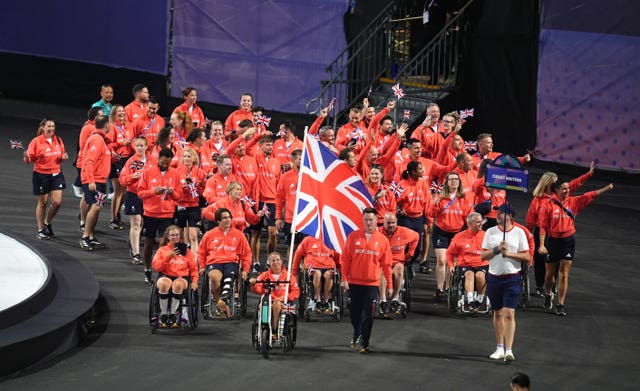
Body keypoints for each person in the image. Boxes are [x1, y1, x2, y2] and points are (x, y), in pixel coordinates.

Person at [538, 181, 614, 316]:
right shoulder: (547, 205)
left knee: (564, 273)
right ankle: (549, 293)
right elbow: (543, 227)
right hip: (553, 242)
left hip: (568, 241)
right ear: (556, 189)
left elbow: (590, 195)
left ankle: (560, 304)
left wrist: (606, 188)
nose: (567, 191)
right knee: (549, 274)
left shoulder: (574, 202)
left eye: (568, 188)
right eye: (564, 189)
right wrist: (542, 244)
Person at [525, 164, 594, 296]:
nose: (558, 183)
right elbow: (530, 219)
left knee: (555, 261)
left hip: (555, 233)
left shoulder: (561, 194)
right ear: (547, 183)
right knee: (540, 261)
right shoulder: (538, 200)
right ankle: (540, 286)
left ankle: (553, 285)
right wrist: (527, 235)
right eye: (555, 181)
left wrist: (589, 174)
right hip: (541, 231)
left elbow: (576, 183)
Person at [340, 208, 393, 353]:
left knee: (369, 315)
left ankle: (364, 342)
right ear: (362, 220)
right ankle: (357, 331)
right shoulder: (353, 237)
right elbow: (345, 259)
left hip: (371, 284)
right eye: (366, 219)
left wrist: (389, 284)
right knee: (354, 312)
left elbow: (387, 264)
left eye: (371, 219)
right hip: (354, 283)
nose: (369, 222)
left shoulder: (383, 241)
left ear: (377, 221)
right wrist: (344, 279)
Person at [481, 204, 530, 362]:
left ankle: (509, 350)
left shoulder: (519, 233)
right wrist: (496, 250)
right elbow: (483, 256)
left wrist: (508, 253)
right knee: (498, 313)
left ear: (510, 217)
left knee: (509, 313)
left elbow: (526, 257)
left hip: (512, 278)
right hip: (494, 277)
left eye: (501, 213)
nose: (498, 215)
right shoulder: (490, 232)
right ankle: (499, 348)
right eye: (498, 213)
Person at [137, 148, 183, 284]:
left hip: (167, 214)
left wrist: (171, 192)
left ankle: (166, 270)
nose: (164, 165)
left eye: (167, 163)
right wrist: (153, 191)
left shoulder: (175, 174)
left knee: (166, 245)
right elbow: (140, 193)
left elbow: (179, 196)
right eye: (163, 162)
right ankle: (147, 269)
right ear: (159, 159)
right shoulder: (147, 172)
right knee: (148, 243)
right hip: (150, 213)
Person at [198, 208, 252, 317]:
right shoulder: (209, 234)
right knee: (214, 277)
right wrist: (202, 266)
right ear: (218, 221)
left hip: (231, 262)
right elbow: (201, 252)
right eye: (224, 218)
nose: (227, 220)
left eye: (229, 217)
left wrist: (246, 270)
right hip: (214, 262)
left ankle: (225, 295)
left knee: (229, 275)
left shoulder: (239, 235)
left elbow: (246, 254)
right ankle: (221, 303)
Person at [428, 171, 472, 300]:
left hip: (457, 233)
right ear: (446, 182)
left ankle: (448, 288)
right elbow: (431, 214)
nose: (454, 181)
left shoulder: (464, 197)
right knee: (441, 260)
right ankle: (439, 288)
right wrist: (434, 203)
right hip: (441, 232)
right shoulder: (440, 197)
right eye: (451, 179)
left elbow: (468, 217)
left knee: (451, 262)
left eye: (456, 179)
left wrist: (469, 234)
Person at [23, 118, 69, 240]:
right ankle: (40, 229)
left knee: (57, 202)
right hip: (41, 175)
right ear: (43, 128)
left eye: (53, 126)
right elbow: (28, 160)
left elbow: (62, 154)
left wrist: (64, 157)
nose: (51, 129)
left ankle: (47, 222)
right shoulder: (36, 142)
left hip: (56, 174)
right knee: (42, 203)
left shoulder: (58, 139)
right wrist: (27, 157)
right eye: (49, 126)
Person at [151, 225, 199, 328]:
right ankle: (163, 315)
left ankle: (173, 315)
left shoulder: (187, 252)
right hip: (165, 275)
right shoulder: (162, 250)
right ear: (168, 237)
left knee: (177, 285)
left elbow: (194, 269)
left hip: (182, 277)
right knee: (164, 284)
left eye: (177, 235)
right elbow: (156, 267)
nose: (176, 237)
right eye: (173, 235)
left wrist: (194, 281)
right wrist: (168, 257)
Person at [249, 252, 300, 338]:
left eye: (277, 260)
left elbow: (296, 292)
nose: (275, 262)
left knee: (276, 304)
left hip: (283, 301)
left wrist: (284, 298)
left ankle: (274, 330)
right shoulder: (264, 275)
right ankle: (263, 327)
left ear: (281, 262)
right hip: (268, 300)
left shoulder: (289, 276)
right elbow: (258, 289)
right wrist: (253, 284)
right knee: (263, 304)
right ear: (269, 262)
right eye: (273, 260)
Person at [79, 115, 111, 251]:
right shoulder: (97, 140)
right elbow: (89, 161)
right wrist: (91, 181)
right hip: (94, 180)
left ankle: (91, 236)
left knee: (97, 207)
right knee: (95, 206)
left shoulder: (100, 139)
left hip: (100, 179)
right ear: (106, 126)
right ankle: (85, 237)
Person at [377, 212, 419, 316]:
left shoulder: (404, 232)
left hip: (397, 261)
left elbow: (416, 236)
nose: (391, 225)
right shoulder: (377, 232)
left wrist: (410, 253)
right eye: (388, 223)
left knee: (400, 268)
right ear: (383, 223)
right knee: (383, 271)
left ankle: (395, 298)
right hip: (383, 262)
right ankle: (382, 300)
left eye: (393, 223)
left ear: (396, 222)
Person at [446, 212, 488, 312]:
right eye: (478, 222)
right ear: (470, 223)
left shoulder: (486, 236)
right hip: (465, 264)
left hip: (482, 263)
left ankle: (479, 299)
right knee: (469, 275)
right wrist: (451, 265)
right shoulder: (459, 237)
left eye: (481, 222)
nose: (481, 224)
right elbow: (450, 253)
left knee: (480, 276)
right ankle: (470, 301)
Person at [118, 136, 149, 264]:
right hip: (133, 194)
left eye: (142, 145)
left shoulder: (152, 160)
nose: (140, 148)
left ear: (146, 147)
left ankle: (132, 241)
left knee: (142, 223)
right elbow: (122, 179)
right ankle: (136, 253)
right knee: (135, 223)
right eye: (137, 146)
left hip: (147, 196)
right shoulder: (131, 161)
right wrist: (132, 176)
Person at [292, 236, 340, 314]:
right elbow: (298, 254)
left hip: (328, 265)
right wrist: (294, 271)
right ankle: (318, 301)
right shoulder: (308, 240)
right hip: (313, 265)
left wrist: (342, 274)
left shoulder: (332, 239)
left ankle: (326, 302)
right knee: (317, 273)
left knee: (329, 274)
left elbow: (338, 257)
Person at [107, 104, 135, 230]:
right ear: (114, 114)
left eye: (123, 111)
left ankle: (117, 212)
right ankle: (113, 218)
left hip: (127, 160)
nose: (122, 113)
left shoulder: (130, 126)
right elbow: (108, 145)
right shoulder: (112, 127)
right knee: (118, 191)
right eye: (119, 111)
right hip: (116, 160)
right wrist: (121, 143)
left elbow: (133, 141)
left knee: (124, 191)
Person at [175, 148, 206, 256]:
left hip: (194, 206)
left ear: (194, 158)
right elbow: (173, 189)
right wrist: (182, 187)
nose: (187, 159)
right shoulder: (177, 171)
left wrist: (196, 186)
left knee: (193, 236)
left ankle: (194, 260)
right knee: (180, 236)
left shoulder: (200, 172)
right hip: (181, 205)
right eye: (185, 156)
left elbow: (203, 191)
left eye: (189, 156)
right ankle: (181, 258)